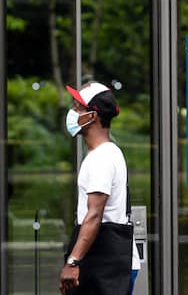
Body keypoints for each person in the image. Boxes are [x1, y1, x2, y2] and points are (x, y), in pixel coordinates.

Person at [59, 81, 133, 295]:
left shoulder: (101, 158)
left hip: (103, 261)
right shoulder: (108, 153)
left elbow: (94, 214)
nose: (72, 113)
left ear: (92, 115)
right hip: (107, 258)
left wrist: (72, 262)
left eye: (77, 107)